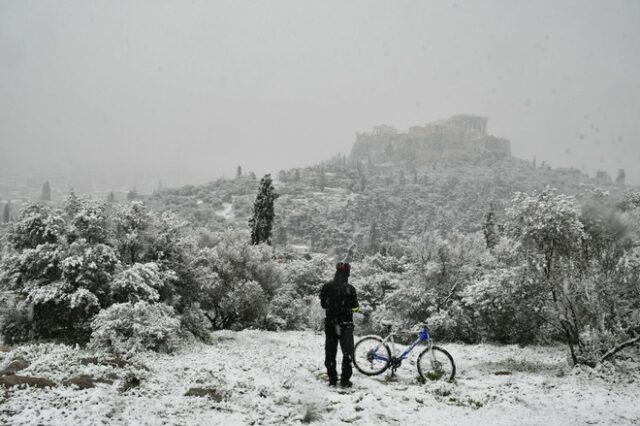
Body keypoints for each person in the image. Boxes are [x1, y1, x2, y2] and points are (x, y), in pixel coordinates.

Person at [320, 262, 360, 388]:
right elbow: (355, 307)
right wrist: (350, 308)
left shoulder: (326, 287)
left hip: (331, 324)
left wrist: (333, 308)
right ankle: (345, 380)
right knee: (347, 353)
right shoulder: (351, 289)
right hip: (346, 325)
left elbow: (323, 305)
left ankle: (332, 378)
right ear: (347, 275)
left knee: (330, 351)